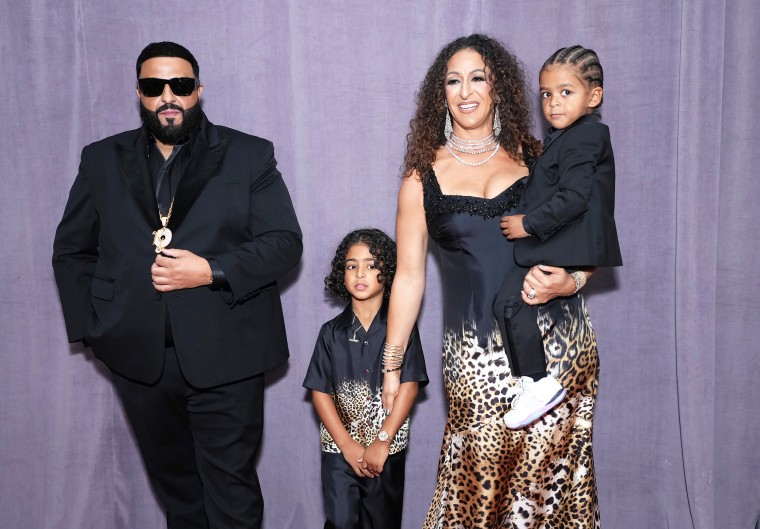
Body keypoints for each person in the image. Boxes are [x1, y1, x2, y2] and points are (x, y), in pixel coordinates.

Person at [52, 41, 302, 529]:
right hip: (138, 359)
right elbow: (72, 251)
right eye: (154, 86)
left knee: (231, 494)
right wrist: (95, 330)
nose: (168, 96)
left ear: (198, 91)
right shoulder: (101, 159)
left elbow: (284, 242)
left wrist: (210, 270)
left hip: (229, 353)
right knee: (180, 497)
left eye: (180, 86)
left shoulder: (248, 154)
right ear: (140, 93)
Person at [381, 35, 601, 528]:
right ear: (441, 94)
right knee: (475, 493)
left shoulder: (538, 157)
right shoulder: (420, 178)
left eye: (477, 77)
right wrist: (392, 364)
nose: (465, 91)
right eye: (453, 81)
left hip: (556, 349)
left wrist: (573, 281)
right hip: (473, 357)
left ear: (497, 86)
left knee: (549, 495)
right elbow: (410, 278)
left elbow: (590, 237)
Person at [494, 45, 622, 428]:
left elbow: (574, 198)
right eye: (547, 94)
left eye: (566, 92)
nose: (553, 103)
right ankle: (534, 381)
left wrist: (527, 224)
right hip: (560, 245)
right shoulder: (563, 138)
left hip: (562, 244)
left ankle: (539, 382)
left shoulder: (585, 137)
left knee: (512, 303)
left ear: (594, 96)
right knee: (508, 303)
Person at [303, 228, 428, 529]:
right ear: (341, 274)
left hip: (386, 450)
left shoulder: (402, 332)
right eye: (351, 265)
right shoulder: (330, 332)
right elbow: (320, 392)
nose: (360, 273)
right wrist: (346, 445)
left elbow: (409, 387)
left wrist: (382, 441)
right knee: (341, 520)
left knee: (382, 522)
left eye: (372, 265)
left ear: (389, 271)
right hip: (338, 451)